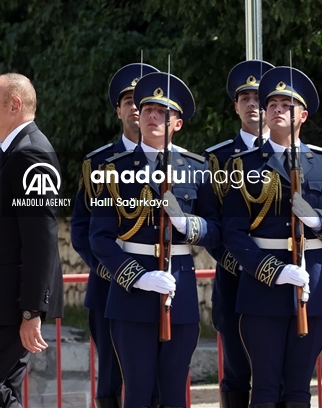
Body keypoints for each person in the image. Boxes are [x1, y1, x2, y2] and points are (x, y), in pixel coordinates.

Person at [222, 66, 322, 408]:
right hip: (261, 289)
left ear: (303, 115)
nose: (278, 110)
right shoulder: (242, 165)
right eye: (273, 104)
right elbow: (233, 232)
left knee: (298, 389)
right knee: (264, 389)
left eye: (287, 105)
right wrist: (272, 270)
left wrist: (319, 221)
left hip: (312, 283)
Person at [89, 71, 219, 408]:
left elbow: (216, 228)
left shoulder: (197, 168)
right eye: (147, 109)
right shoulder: (113, 169)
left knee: (174, 393)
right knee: (137, 393)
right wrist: (137, 277)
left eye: (162, 112)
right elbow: (100, 237)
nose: (151, 116)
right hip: (131, 294)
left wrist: (188, 225)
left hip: (180, 287)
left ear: (178, 123)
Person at [0, 73, 64, 408]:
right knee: (2, 388)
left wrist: (31, 309)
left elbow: (41, 238)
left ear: (15, 105)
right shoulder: (10, 153)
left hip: (12, 303)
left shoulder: (30, 154)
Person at [71, 62, 157, 408]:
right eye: (128, 101)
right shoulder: (98, 164)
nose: (135, 107)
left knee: (157, 379)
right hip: (109, 285)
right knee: (111, 377)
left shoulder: (173, 162)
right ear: (118, 110)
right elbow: (81, 228)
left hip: (158, 282)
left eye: (142, 101)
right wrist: (108, 268)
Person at [204, 60, 273, 408]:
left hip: (283, 277)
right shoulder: (217, 160)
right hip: (235, 279)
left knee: (278, 374)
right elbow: (211, 224)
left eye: (259, 98)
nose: (252, 104)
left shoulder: (291, 156)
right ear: (235, 106)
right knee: (236, 373)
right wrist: (243, 263)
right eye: (245, 98)